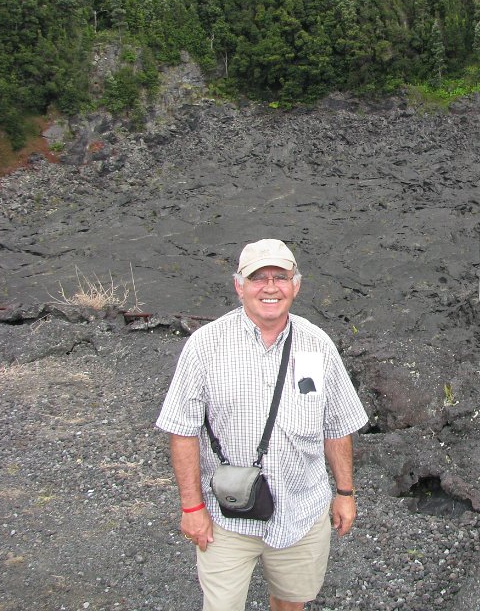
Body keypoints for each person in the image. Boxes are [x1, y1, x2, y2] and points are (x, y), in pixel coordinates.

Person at [156, 238, 368, 611]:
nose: (270, 287)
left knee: (290, 602)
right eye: (258, 278)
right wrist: (191, 508)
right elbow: (182, 429)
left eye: (280, 277)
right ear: (239, 286)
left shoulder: (318, 345)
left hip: (302, 511)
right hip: (227, 517)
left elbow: (337, 425)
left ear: (296, 285)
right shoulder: (205, 346)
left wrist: (345, 494)